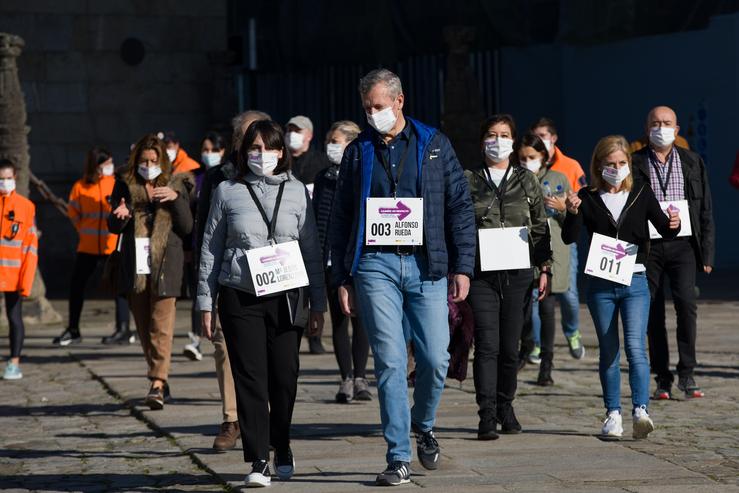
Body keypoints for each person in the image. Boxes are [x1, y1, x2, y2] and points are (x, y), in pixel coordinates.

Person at [330, 68, 476, 486]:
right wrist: (342, 275)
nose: (372, 113)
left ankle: (423, 423)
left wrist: (462, 266)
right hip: (374, 265)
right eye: (366, 107)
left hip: (426, 263)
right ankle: (398, 455)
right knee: (391, 361)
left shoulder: (434, 144)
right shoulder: (359, 152)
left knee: (436, 358)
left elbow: (459, 207)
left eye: (378, 106)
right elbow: (341, 216)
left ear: (399, 101)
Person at [197, 120, 326, 488]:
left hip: (287, 294)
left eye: (269, 148)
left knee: (284, 376)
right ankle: (258, 458)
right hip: (240, 294)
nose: (261, 155)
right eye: (254, 149)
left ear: (281, 153)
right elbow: (210, 248)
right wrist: (205, 303)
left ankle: (281, 443)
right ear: (243, 153)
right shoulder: (226, 191)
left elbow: (311, 250)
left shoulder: (298, 191)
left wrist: (319, 303)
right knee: (250, 377)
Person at [563, 135, 680, 439]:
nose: (616, 169)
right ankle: (612, 413)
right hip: (601, 284)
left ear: (629, 163)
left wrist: (674, 222)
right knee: (608, 351)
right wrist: (572, 212)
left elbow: (665, 230)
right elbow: (569, 237)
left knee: (635, 347)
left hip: (635, 280)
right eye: (610, 164)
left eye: (621, 163)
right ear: (598, 166)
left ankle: (641, 410)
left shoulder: (641, 192)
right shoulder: (587, 196)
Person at [465, 116, 551, 440]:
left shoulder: (527, 179)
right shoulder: (468, 178)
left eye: (504, 135)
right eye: (491, 134)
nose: (497, 140)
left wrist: (545, 268)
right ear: (482, 140)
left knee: (511, 347)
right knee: (487, 344)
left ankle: (505, 405)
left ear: (513, 141)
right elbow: (458, 223)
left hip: (517, 272)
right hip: (481, 274)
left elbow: (540, 226)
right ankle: (486, 413)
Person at [196, 110, 271, 452]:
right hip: (231, 277)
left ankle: (262, 418)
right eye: (245, 135)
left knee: (269, 353)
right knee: (225, 348)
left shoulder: (281, 176)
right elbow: (205, 236)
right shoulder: (218, 179)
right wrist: (203, 290)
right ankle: (231, 418)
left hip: (273, 276)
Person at [631, 106, 715, 400]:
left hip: (683, 245)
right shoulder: (635, 163)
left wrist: (707, 253)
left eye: (667, 123)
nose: (661, 127)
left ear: (677, 130)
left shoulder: (692, 161)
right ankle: (662, 378)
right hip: (649, 246)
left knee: (686, 306)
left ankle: (687, 373)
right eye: (655, 123)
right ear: (647, 128)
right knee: (652, 311)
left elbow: (705, 208)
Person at [108, 134, 193, 410]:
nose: (149, 165)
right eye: (144, 161)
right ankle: (160, 378)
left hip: (166, 263)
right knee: (145, 328)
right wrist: (119, 215)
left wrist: (175, 198)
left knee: (161, 325)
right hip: (136, 265)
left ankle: (157, 381)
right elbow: (113, 224)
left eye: (154, 161)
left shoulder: (176, 183)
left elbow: (187, 227)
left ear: (162, 161)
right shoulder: (124, 184)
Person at [312, 120, 372, 403]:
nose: (331, 147)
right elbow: (318, 218)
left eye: (337, 142)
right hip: (329, 259)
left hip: (357, 256)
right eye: (329, 142)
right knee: (338, 320)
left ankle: (361, 377)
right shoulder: (324, 177)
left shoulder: (364, 174)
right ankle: (346, 377)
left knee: (361, 320)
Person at [52, 147, 133, 347]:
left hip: (110, 246)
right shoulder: (80, 186)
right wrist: (84, 230)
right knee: (76, 286)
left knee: (119, 287)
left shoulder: (116, 184)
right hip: (87, 246)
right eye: (105, 164)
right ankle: (73, 330)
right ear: (95, 167)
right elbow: (73, 213)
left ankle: (123, 329)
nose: (109, 167)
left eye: (110, 163)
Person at [517, 133, 572, 386]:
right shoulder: (516, 180)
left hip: (551, 251)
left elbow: (571, 223)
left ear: (543, 157)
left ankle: (546, 365)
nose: (528, 161)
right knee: (524, 310)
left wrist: (564, 209)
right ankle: (527, 346)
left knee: (547, 308)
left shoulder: (558, 179)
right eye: (523, 158)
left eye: (532, 157)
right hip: (521, 250)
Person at [531, 117, 586, 360]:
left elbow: (584, 202)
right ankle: (537, 342)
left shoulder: (570, 167)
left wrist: (566, 206)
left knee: (569, 294)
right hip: (538, 240)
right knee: (536, 296)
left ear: (553, 138)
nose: (541, 139)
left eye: (544, 135)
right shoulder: (530, 166)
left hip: (564, 239)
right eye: (537, 135)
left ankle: (572, 331)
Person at [285, 115, 331, 354]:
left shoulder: (320, 163)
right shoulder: (281, 162)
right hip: (289, 233)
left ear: (309, 135)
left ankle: (315, 335)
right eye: (289, 130)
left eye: (298, 130)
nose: (292, 134)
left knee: (314, 281)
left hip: (313, 230)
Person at [181, 131, 227, 363]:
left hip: (222, 241)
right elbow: (190, 214)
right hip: (199, 242)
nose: (209, 155)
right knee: (199, 293)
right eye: (205, 150)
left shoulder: (226, 176)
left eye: (214, 150)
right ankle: (195, 339)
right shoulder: (195, 177)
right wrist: (189, 246)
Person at [0, 159, 38, 380]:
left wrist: (26, 281)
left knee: (14, 318)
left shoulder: (26, 207)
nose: (4, 182)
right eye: (1, 178)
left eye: (8, 178)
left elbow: (30, 247)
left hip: (14, 276)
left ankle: (14, 362)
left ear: (15, 178)